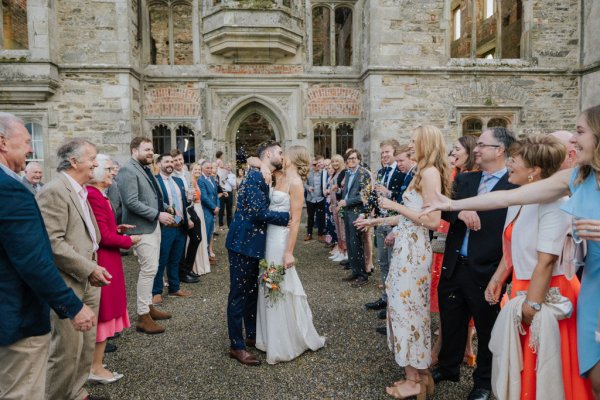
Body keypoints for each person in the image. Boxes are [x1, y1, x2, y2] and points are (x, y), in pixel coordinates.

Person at [422, 105, 600, 399]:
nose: (573, 141)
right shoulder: (578, 177)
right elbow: (509, 196)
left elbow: (547, 258)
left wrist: (532, 303)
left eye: (579, 132)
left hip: (562, 287)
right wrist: (451, 205)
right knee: (591, 377)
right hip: (592, 289)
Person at [484, 135, 592, 399]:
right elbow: (512, 246)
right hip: (522, 287)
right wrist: (498, 278)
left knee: (545, 369)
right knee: (519, 368)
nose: (508, 163)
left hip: (547, 292)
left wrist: (532, 305)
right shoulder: (519, 199)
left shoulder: (555, 205)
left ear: (534, 171)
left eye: (515, 159)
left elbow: (546, 261)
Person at [0, 113, 94, 400]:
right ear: (3, 143)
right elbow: (33, 259)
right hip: (16, 317)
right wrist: (72, 306)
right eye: (26, 141)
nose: (30, 149)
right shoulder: (11, 191)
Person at [355, 125, 451, 399]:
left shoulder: (430, 173)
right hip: (406, 249)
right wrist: (377, 220)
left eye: (413, 141)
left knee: (406, 312)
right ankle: (418, 375)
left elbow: (432, 220)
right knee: (402, 311)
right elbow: (410, 217)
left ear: (426, 143)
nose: (410, 145)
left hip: (413, 253)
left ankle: (415, 380)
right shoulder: (423, 172)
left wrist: (393, 205)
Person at [426, 127, 517, 400]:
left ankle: (483, 382)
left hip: (487, 268)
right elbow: (443, 209)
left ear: (499, 150)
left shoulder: (515, 186)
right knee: (451, 319)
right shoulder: (466, 180)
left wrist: (501, 275)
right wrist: (460, 211)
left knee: (487, 327)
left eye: (482, 145)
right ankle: (449, 366)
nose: (476, 149)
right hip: (454, 263)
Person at [37, 139, 112, 400]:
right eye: (92, 157)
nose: (95, 163)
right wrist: (88, 267)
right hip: (68, 279)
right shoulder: (54, 190)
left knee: (85, 344)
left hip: (89, 276)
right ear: (73, 161)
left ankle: (78, 393)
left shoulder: (81, 189)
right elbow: (52, 242)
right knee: (65, 350)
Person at [255, 145, 326, 363]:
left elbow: (295, 222)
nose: (281, 156)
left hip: (280, 240)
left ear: (293, 159)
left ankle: (284, 340)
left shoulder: (296, 184)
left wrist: (289, 252)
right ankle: (267, 335)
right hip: (267, 236)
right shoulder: (277, 175)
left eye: (285, 154)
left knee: (277, 283)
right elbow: (251, 160)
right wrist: (259, 164)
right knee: (265, 281)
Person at [225, 141, 290, 366]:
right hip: (242, 244)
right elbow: (256, 212)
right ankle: (236, 345)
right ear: (269, 154)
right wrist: (285, 218)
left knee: (252, 292)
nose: (283, 156)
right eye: (280, 152)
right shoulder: (254, 176)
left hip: (255, 245)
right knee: (239, 294)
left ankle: (251, 334)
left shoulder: (264, 173)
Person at [86, 154, 141, 384]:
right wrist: (129, 241)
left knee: (108, 310)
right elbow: (102, 237)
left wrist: (117, 228)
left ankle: (95, 363)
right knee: (104, 312)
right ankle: (95, 367)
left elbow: (104, 228)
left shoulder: (99, 194)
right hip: (104, 260)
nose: (112, 172)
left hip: (110, 258)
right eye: (108, 169)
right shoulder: (94, 196)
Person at [118, 137, 174, 334]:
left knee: (153, 267)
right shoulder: (128, 170)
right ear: (134, 150)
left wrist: (166, 207)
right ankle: (142, 316)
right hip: (141, 228)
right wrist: (158, 214)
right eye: (146, 149)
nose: (151, 152)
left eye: (152, 149)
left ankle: (149, 307)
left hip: (153, 226)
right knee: (148, 269)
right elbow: (131, 201)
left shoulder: (145, 169)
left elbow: (153, 197)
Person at [431, 134, 478, 367]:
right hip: (449, 240)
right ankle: (463, 349)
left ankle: (454, 348)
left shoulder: (469, 178)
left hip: (463, 244)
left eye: (457, 149)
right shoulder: (456, 176)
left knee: (458, 300)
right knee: (451, 300)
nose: (453, 154)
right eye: (451, 150)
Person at [365, 139, 405, 314]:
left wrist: (389, 193)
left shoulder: (402, 171)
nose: (384, 155)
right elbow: (375, 195)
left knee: (394, 263)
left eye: (387, 152)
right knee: (382, 261)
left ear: (395, 152)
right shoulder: (381, 171)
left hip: (395, 223)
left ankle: (394, 303)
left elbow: (404, 198)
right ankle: (385, 297)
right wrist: (370, 211)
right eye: (382, 153)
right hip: (380, 221)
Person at [152, 154, 194, 304]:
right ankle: (156, 291)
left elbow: (183, 202)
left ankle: (174, 288)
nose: (170, 164)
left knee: (176, 259)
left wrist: (188, 214)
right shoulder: (154, 181)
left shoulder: (178, 180)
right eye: (167, 161)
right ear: (159, 164)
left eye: (171, 161)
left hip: (180, 225)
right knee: (161, 259)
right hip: (165, 226)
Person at [338, 149, 372, 288]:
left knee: (357, 244)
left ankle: (363, 275)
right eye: (348, 159)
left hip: (357, 212)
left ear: (359, 159)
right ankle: (355, 270)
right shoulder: (347, 172)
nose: (350, 161)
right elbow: (347, 192)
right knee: (350, 244)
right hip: (347, 212)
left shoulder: (363, 173)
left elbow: (365, 195)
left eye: (353, 158)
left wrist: (347, 202)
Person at [182, 162, 211, 277]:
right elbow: (189, 199)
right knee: (195, 238)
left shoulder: (197, 182)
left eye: (199, 170)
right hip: (194, 210)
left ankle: (201, 266)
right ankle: (194, 266)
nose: (197, 172)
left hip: (200, 210)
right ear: (191, 170)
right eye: (195, 170)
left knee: (201, 237)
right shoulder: (190, 182)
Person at [327, 154, 348, 262]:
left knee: (343, 228)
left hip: (341, 204)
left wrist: (338, 193)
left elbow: (343, 190)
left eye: (337, 161)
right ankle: (340, 250)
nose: (335, 163)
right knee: (338, 229)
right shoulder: (335, 173)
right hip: (334, 204)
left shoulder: (344, 173)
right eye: (333, 161)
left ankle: (346, 252)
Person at [199, 160, 219, 263]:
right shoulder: (201, 180)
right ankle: (205, 256)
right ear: (202, 168)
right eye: (207, 168)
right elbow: (204, 197)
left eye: (211, 168)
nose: (210, 170)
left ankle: (207, 254)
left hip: (213, 210)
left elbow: (216, 194)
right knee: (206, 233)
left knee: (211, 232)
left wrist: (218, 206)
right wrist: (213, 207)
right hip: (206, 210)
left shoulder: (211, 178)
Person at [304, 156, 326, 242]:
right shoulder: (308, 173)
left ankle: (320, 234)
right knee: (310, 217)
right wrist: (308, 187)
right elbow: (304, 183)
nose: (316, 166)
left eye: (318, 164)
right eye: (314, 164)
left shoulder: (324, 173)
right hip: (311, 199)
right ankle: (309, 234)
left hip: (320, 198)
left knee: (321, 217)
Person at [218, 162, 236, 229]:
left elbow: (234, 184)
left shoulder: (233, 175)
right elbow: (220, 183)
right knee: (221, 209)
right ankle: (220, 224)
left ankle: (229, 224)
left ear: (231, 167)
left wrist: (228, 178)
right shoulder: (221, 174)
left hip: (229, 193)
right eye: (227, 165)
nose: (228, 166)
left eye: (230, 165)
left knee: (229, 209)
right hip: (222, 193)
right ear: (225, 166)